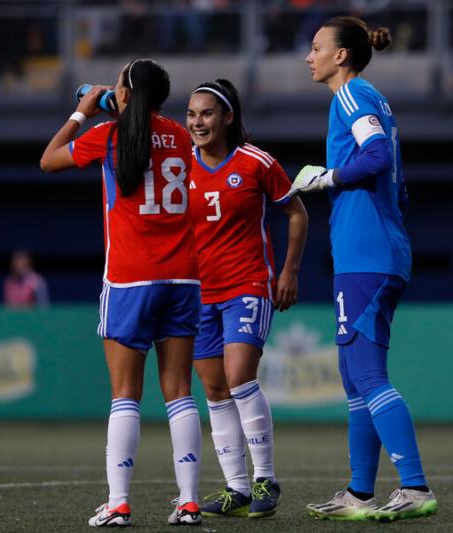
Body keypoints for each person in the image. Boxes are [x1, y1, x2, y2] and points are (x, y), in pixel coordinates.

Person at [40, 58, 204, 527]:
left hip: (131, 278)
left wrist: (83, 113)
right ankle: (188, 502)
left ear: (125, 94)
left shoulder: (109, 135)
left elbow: (48, 160)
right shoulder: (179, 134)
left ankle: (119, 503)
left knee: (125, 396)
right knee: (179, 394)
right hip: (183, 277)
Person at [292, 16, 438, 522]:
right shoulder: (369, 98)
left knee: (368, 375)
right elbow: (397, 184)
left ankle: (415, 487)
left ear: (342, 56)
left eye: (316, 48)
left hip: (367, 256)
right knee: (354, 376)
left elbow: (376, 157)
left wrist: (327, 177)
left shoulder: (351, 95)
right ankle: (359, 494)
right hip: (373, 250)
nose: (308, 57)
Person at [185, 79, 309, 518]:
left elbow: (297, 212)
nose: (197, 122)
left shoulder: (255, 162)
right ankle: (235, 488)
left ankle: (265, 479)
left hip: (247, 285)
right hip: (199, 294)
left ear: (228, 118)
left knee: (239, 378)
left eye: (207, 113)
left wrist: (289, 271)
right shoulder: (181, 165)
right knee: (214, 390)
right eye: (192, 114)